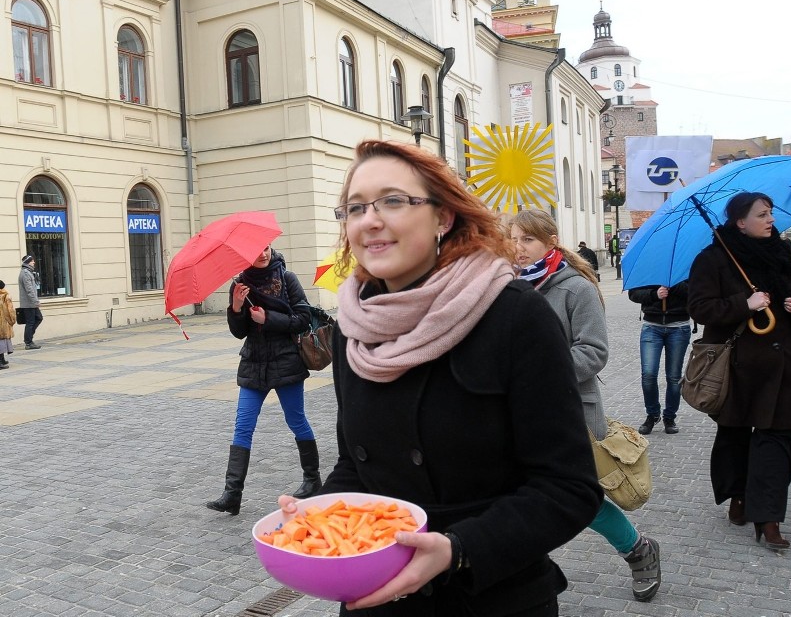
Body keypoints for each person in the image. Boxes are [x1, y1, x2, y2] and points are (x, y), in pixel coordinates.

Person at [279, 140, 603, 616]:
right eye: (353, 208)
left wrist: (458, 548)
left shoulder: (514, 315)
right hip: (376, 594)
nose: (369, 220)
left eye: (393, 200)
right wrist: (317, 515)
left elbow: (569, 488)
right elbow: (357, 464)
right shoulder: (354, 326)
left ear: (443, 217)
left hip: (490, 595)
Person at [511, 209, 661, 602]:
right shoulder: (508, 286)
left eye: (527, 239)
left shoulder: (575, 288)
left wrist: (537, 374)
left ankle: (638, 550)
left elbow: (594, 352)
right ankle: (521, 574)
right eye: (513, 238)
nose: (518, 247)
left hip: (569, 411)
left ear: (550, 242)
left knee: (579, 500)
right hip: (516, 412)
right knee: (514, 494)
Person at [687, 192, 791, 550]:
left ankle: (768, 517)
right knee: (735, 436)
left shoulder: (783, 252)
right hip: (739, 367)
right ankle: (737, 494)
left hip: (784, 364)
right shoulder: (712, 260)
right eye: (762, 214)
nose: (770, 219)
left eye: (771, 213)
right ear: (740, 222)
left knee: (778, 439)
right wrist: (746, 303)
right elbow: (700, 308)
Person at [206, 244, 322, 516]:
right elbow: (239, 332)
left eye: (266, 248)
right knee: (242, 425)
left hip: (285, 362)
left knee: (296, 420)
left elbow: (303, 319)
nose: (263, 253)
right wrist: (236, 307)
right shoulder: (240, 285)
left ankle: (312, 479)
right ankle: (232, 495)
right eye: (256, 250)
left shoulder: (286, 279)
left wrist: (267, 317)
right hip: (254, 363)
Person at [627, 281, 691, 435]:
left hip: (679, 326)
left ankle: (669, 417)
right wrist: (654, 294)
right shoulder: (649, 266)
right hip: (651, 326)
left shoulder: (685, 266)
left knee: (674, 376)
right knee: (648, 374)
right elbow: (633, 294)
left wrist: (673, 284)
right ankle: (653, 414)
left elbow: (695, 292)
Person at [18, 255, 42, 349]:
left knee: (38, 318)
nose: (34, 262)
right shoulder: (25, 273)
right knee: (30, 322)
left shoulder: (29, 272)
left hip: (31, 303)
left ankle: (29, 339)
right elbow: (29, 290)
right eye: (32, 261)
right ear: (28, 262)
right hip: (29, 304)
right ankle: (28, 342)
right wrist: (36, 301)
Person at [0, 280, 14, 369]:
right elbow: (9, 311)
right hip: (2, 323)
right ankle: (0, 361)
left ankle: (2, 359)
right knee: (1, 341)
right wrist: (12, 320)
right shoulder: (4, 296)